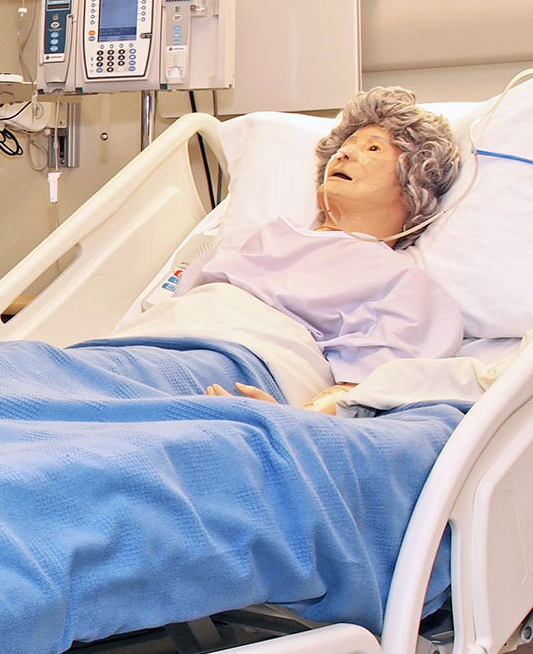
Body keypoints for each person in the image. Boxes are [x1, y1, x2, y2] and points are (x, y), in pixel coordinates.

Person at [141, 87, 464, 414]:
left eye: (373, 148)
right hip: (143, 344)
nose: (345, 154)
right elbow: (174, 307)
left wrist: (293, 418)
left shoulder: (401, 282)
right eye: (346, 146)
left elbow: (364, 389)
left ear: (412, 185)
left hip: (231, 369)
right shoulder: (251, 240)